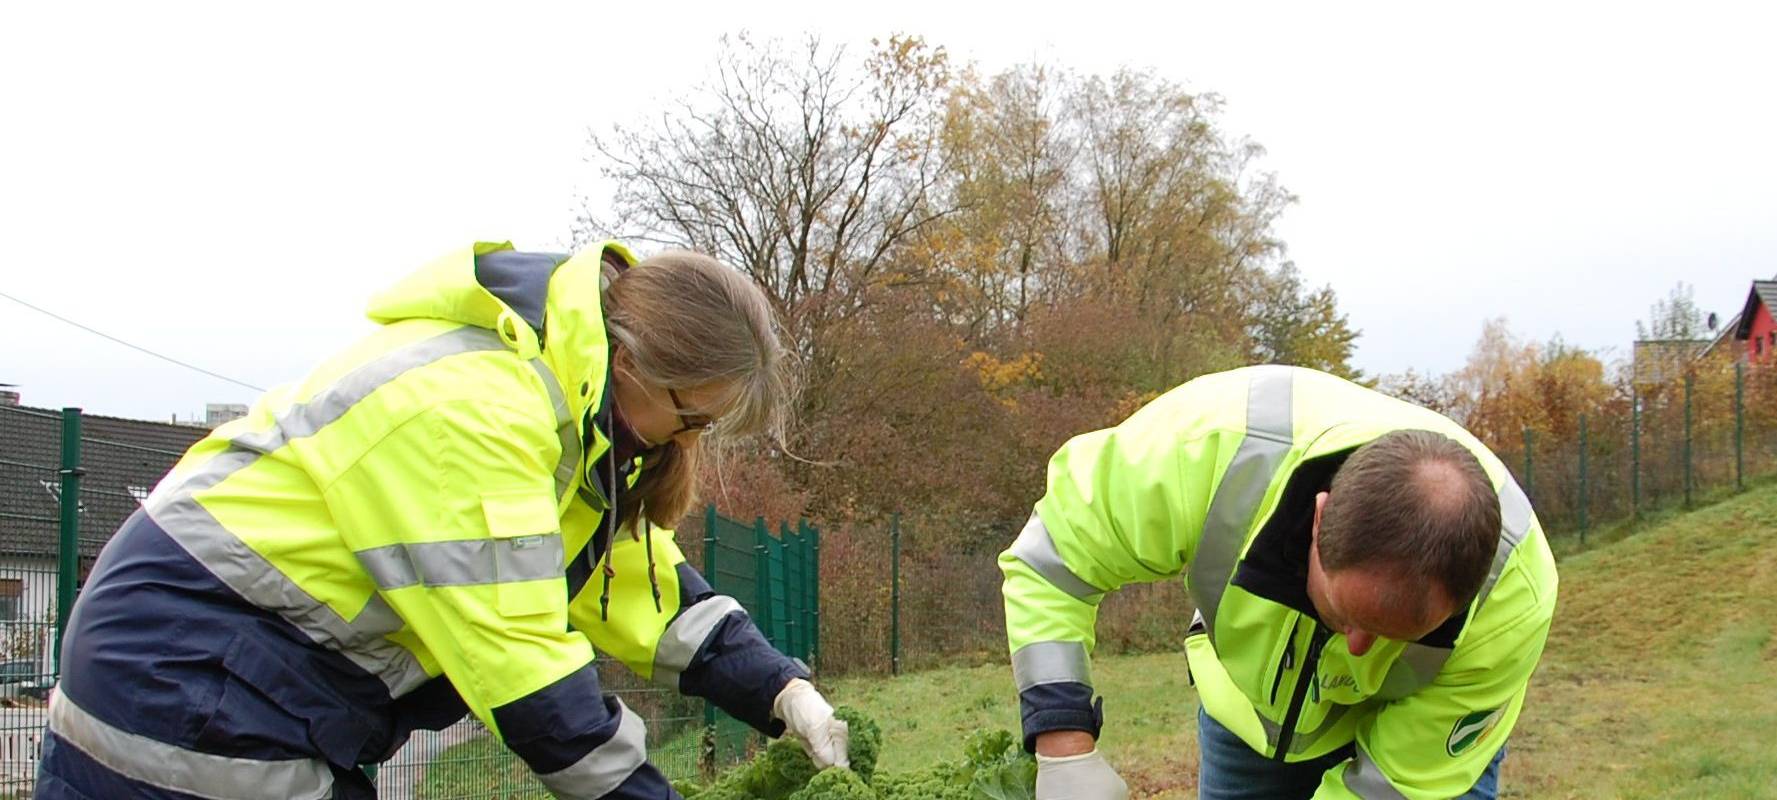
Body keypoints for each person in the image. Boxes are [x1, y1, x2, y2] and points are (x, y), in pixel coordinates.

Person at [37, 241, 848, 800]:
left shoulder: (566, 407)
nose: (688, 440)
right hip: (187, 677)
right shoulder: (477, 411)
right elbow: (526, 673)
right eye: (692, 416)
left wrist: (781, 690)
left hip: (244, 680)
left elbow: (628, 578)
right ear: (634, 358)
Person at [1000, 365, 1558, 799]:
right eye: (1346, 616)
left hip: (1418, 743)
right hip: (1247, 715)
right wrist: (1064, 744)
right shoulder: (1206, 448)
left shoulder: (1511, 597)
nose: (1359, 651)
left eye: (1398, 636)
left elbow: (1393, 788)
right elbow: (1053, 562)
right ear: (1318, 522)